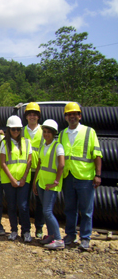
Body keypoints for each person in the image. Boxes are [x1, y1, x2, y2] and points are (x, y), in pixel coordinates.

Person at [59, 102, 102, 250]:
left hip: (85, 176)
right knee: (69, 208)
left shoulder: (89, 132)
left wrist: (98, 175)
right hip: (68, 176)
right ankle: (70, 234)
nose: (72, 117)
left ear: (80, 116)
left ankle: (85, 238)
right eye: (69, 114)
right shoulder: (63, 134)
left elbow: (97, 154)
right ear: (65, 117)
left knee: (86, 210)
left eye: (74, 114)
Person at [32, 119, 65, 250]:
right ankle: (51, 235)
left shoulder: (58, 146)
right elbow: (39, 165)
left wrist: (56, 181)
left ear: (53, 133)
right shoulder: (43, 146)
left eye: (48, 132)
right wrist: (35, 182)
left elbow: (61, 165)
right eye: (44, 132)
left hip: (51, 184)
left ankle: (58, 238)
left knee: (47, 211)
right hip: (42, 182)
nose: (46, 134)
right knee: (46, 212)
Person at [0, 116, 32, 242]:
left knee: (23, 206)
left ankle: (26, 231)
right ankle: (14, 230)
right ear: (9, 130)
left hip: (24, 180)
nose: (16, 132)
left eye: (18, 129)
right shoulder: (4, 143)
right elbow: (3, 163)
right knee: (12, 206)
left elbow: (29, 161)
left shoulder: (27, 142)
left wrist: (23, 177)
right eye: (13, 129)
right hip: (9, 181)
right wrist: (12, 179)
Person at [23, 102, 45, 238]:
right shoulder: (21, 130)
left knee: (40, 202)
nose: (32, 116)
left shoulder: (44, 131)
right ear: (26, 116)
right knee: (24, 202)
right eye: (30, 114)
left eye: (34, 114)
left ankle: (39, 228)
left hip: (39, 170)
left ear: (38, 116)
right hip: (24, 171)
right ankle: (26, 229)